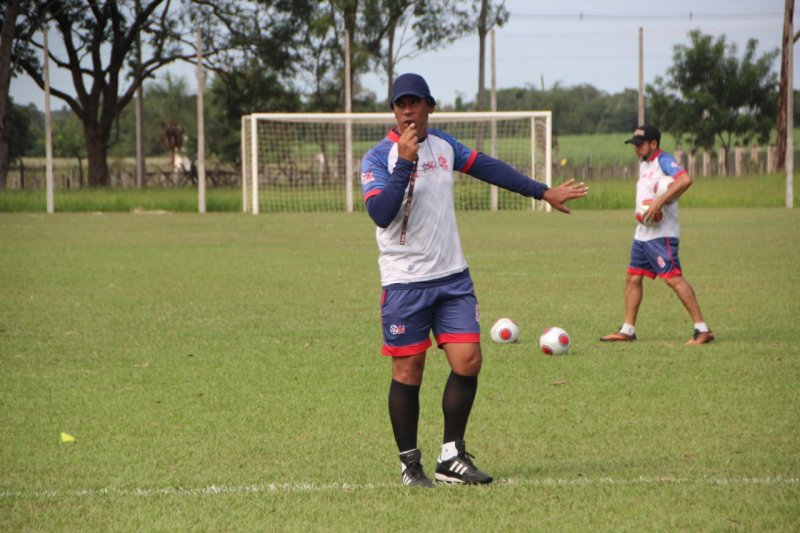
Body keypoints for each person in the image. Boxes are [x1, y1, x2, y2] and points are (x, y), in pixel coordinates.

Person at [360, 73, 589, 487]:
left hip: (452, 278)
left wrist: (543, 192)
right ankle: (410, 464)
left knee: (468, 360)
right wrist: (406, 161)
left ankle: (451, 457)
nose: (408, 110)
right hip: (404, 282)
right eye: (400, 104)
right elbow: (381, 213)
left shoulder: (446, 146)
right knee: (408, 371)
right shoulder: (378, 158)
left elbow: (489, 168)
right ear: (394, 111)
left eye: (415, 102)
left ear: (430, 106)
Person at [600, 124, 714, 345]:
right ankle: (628, 330)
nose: (636, 150)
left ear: (654, 144)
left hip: (662, 235)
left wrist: (659, 203)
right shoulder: (645, 164)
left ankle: (702, 329)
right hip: (643, 234)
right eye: (634, 145)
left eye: (640, 145)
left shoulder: (664, 160)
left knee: (673, 278)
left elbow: (685, 180)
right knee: (633, 277)